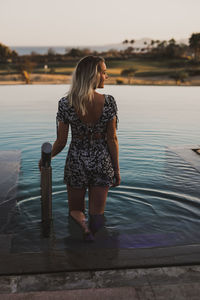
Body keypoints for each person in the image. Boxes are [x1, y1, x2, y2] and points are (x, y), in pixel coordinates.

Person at [40, 56, 120, 241]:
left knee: (76, 210)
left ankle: (83, 227)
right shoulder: (108, 102)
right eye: (104, 72)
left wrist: (45, 159)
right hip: (102, 161)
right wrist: (115, 169)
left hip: (76, 161)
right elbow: (112, 138)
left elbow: (60, 142)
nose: (106, 76)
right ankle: (95, 240)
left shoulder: (65, 103)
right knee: (97, 214)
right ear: (93, 75)